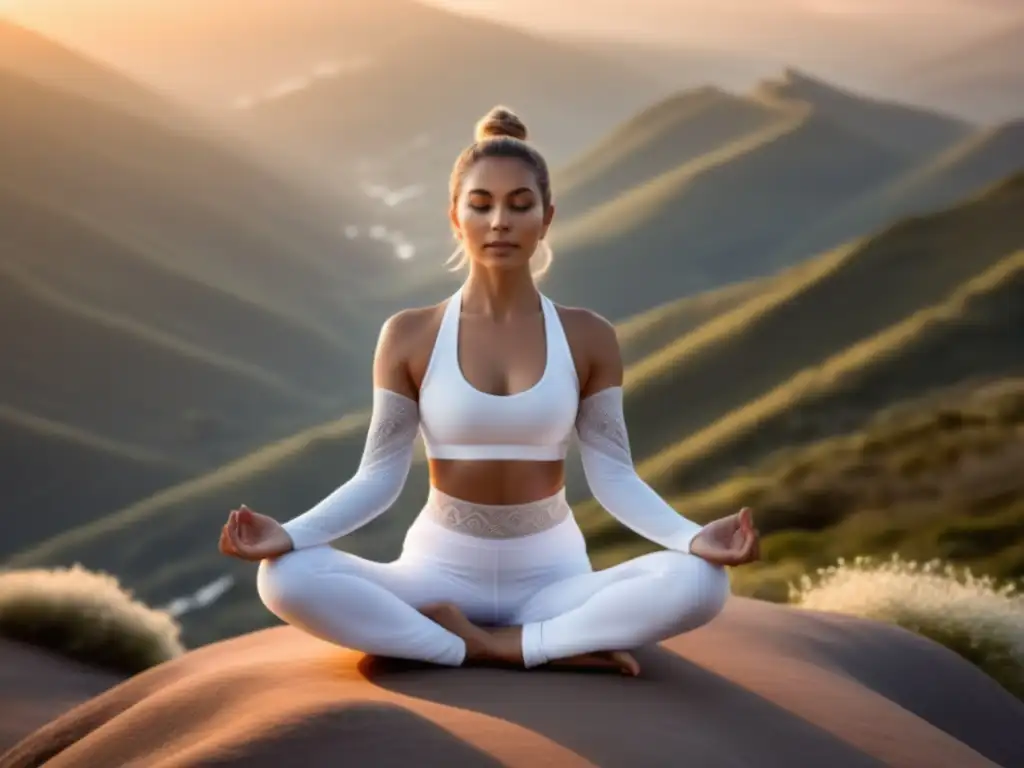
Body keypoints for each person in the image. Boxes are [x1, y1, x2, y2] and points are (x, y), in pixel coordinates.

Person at [219, 106, 760, 676]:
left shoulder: (589, 336)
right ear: (455, 217)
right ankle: (481, 646)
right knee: (284, 576)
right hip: (435, 577)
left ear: (546, 218)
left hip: (553, 581)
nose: (500, 220)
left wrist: (693, 538)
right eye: (481, 205)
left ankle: (507, 643)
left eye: (520, 205)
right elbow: (377, 479)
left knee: (700, 582)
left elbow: (615, 478)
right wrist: (291, 534)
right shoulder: (409, 335)